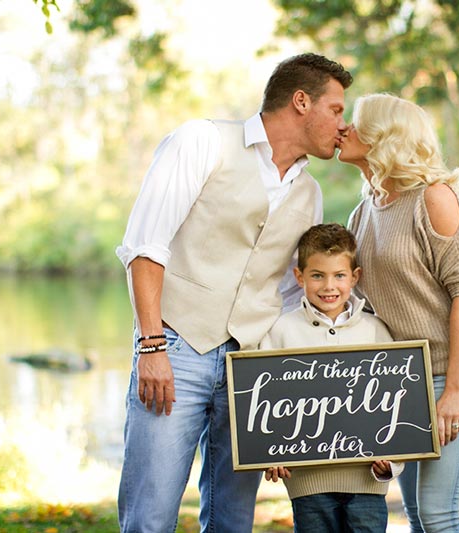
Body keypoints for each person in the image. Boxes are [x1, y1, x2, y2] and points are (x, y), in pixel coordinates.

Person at [114, 53, 353, 533]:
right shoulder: (202, 142)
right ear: (301, 101)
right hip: (177, 348)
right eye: (337, 109)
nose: (342, 125)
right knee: (151, 515)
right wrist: (152, 345)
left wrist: (283, 387)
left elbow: (290, 294)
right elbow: (145, 246)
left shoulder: (311, 194)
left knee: (233, 520)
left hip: (251, 367)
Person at [339, 93, 459, 533]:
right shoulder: (361, 212)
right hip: (402, 379)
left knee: (437, 513)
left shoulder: (435, 199)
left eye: (356, 123)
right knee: (413, 514)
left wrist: (456, 391)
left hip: (452, 373)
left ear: (382, 137)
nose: (344, 129)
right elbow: (364, 312)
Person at [260, 223, 403, 533]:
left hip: (367, 482)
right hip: (308, 483)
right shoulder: (281, 331)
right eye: (317, 275)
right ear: (299, 277)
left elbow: (397, 405)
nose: (329, 286)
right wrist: (269, 451)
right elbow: (266, 403)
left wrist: (391, 463)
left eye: (339, 275)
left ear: (355, 277)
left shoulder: (376, 330)